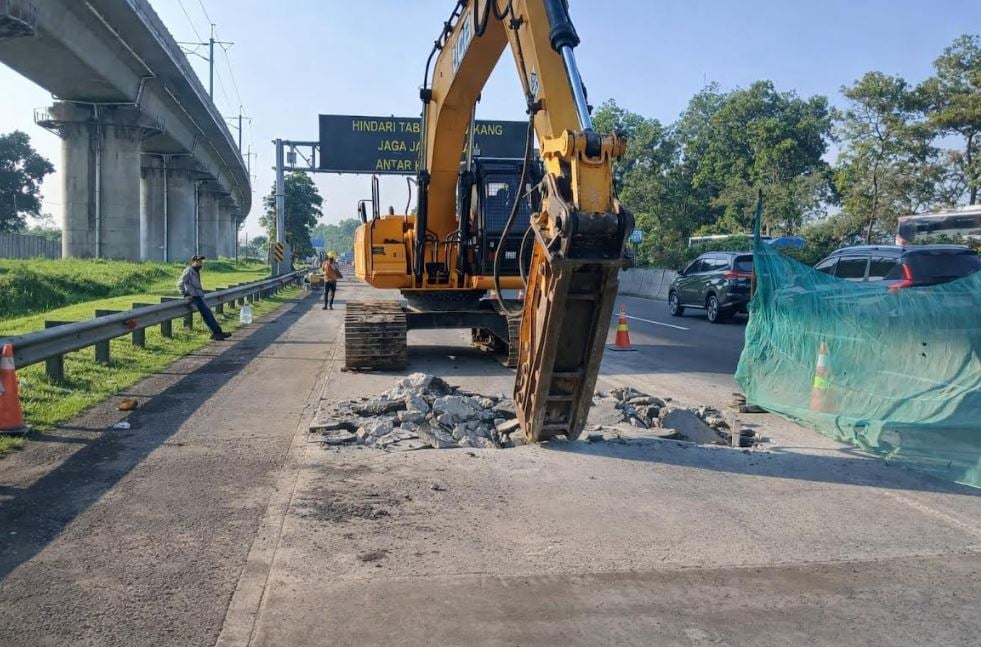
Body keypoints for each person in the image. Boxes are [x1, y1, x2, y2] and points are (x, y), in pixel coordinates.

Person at [177, 255, 232, 340]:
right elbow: (180, 283)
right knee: (207, 314)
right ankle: (217, 333)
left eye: (201, 262)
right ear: (193, 262)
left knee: (208, 314)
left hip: (199, 296)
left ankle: (216, 333)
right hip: (194, 297)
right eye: (198, 262)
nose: (200, 263)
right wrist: (185, 294)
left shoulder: (196, 271)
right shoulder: (189, 271)